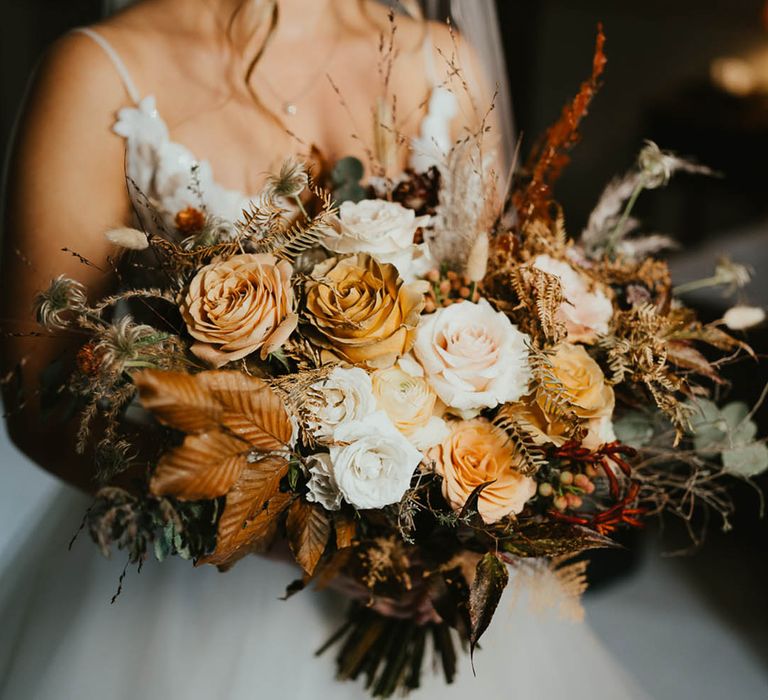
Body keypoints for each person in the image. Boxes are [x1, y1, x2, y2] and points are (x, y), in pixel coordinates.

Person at [0, 1, 649, 697]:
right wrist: (279, 534)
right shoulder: (101, 72)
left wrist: (458, 522)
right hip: (201, 604)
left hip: (428, 586)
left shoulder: (441, 59)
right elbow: (39, 400)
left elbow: (496, 314)